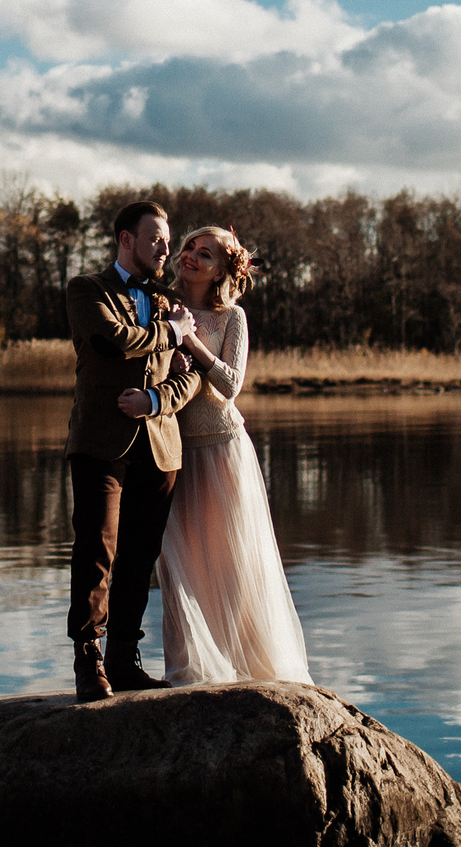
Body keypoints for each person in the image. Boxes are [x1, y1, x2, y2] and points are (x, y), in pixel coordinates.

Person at [143, 225, 312, 686]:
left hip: (221, 450)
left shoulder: (231, 317)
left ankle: (252, 669)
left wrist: (190, 342)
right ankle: (188, 671)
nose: (191, 257)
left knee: (232, 563)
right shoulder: (158, 303)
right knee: (178, 567)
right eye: (190, 248)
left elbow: (231, 386)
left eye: (206, 254)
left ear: (221, 270)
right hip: (173, 449)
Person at [65, 200, 204, 703]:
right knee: (97, 549)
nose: (165, 248)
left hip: (161, 445)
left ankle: (125, 658)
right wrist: (173, 331)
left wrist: (154, 399)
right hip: (101, 445)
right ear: (126, 240)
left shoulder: (169, 301)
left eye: (167, 240)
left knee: (139, 557)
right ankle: (88, 661)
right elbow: (113, 341)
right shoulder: (87, 290)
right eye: (155, 239)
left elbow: (191, 378)